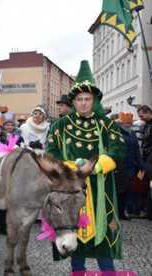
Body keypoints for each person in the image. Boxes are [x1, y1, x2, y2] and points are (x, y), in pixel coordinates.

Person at [46, 60, 124, 273]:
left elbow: (118, 150)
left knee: (103, 241)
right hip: (70, 190)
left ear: (94, 100)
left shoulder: (106, 125)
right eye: (79, 99)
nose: (83, 103)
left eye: (87, 99)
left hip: (100, 189)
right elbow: (50, 152)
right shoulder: (59, 126)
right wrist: (69, 167)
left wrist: (96, 167)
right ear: (73, 101)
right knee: (74, 241)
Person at [114, 112, 142, 220]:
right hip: (120, 166)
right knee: (120, 190)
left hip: (131, 166)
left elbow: (136, 150)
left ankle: (123, 212)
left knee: (128, 190)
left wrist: (140, 164)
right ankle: (118, 212)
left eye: (130, 123)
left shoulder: (132, 134)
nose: (129, 125)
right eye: (127, 123)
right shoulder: (118, 132)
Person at [137, 105, 152, 220]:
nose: (140, 118)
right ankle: (147, 211)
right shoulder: (146, 125)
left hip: (150, 158)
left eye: (141, 115)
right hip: (146, 158)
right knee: (145, 184)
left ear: (148, 112)